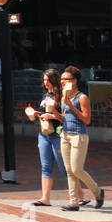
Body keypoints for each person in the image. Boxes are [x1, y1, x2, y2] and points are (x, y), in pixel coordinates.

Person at [56, 65, 103, 212]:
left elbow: (87, 119)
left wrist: (71, 105)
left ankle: (97, 192)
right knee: (69, 170)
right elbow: (65, 118)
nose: (63, 81)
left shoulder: (82, 97)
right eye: (61, 79)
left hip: (78, 136)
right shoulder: (64, 96)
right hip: (65, 134)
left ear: (74, 81)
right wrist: (53, 114)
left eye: (66, 79)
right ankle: (73, 202)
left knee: (77, 169)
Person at [25, 68, 67, 207]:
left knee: (64, 167)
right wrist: (35, 113)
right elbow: (44, 113)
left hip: (57, 134)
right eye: (44, 80)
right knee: (46, 166)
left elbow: (65, 118)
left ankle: (79, 195)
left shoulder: (62, 96)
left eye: (47, 80)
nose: (45, 83)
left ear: (54, 80)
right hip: (44, 133)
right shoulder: (46, 96)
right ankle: (45, 198)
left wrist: (53, 114)